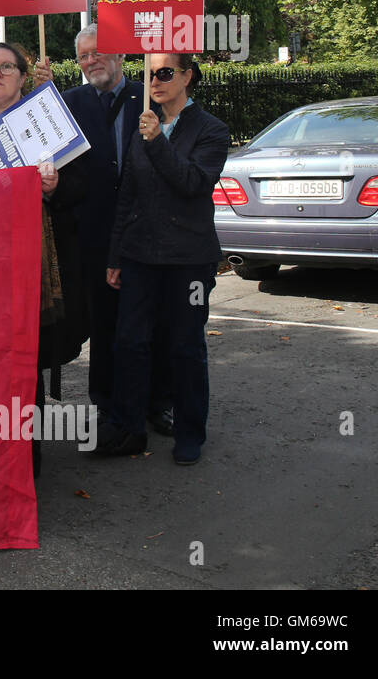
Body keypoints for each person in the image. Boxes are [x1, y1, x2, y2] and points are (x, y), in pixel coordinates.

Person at [0, 41, 87, 477]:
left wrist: (54, 187)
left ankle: (26, 461)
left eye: (6, 67)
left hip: (31, 266)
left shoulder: (47, 124)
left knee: (25, 365)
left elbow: (82, 191)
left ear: (22, 76)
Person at [98, 52, 230, 465]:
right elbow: (128, 196)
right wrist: (116, 254)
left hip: (188, 260)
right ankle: (129, 428)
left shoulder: (211, 130)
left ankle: (190, 432)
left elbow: (191, 183)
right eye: (150, 74)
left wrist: (157, 142)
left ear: (187, 77)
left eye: (166, 72)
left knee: (185, 346)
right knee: (130, 342)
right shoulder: (144, 126)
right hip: (140, 255)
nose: (155, 81)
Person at [61, 25, 173, 433]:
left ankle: (157, 402)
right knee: (104, 323)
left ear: (121, 57)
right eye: (84, 56)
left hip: (145, 231)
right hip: (91, 233)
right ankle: (107, 404)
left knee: (151, 321)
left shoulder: (149, 97)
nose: (92, 61)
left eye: (99, 53)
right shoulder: (69, 103)